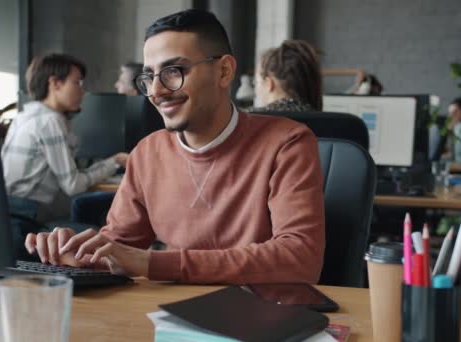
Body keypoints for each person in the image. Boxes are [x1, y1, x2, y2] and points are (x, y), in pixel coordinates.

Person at [25, 10, 325, 285]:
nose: (155, 91)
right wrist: (79, 256)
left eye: (174, 71)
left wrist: (153, 262)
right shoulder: (147, 153)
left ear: (224, 71)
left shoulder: (287, 143)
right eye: (149, 76)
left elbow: (300, 259)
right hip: (171, 316)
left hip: (260, 317)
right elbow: (120, 251)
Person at [1, 54, 128, 254]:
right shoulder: (50, 121)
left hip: (8, 212)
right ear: (55, 83)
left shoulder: (26, 115)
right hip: (25, 217)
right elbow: (73, 185)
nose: (83, 91)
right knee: (103, 237)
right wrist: (116, 161)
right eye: (77, 83)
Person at [249, 40, 322, 113]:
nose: (256, 91)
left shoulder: (252, 120)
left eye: (256, 82)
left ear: (269, 83)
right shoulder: (325, 120)